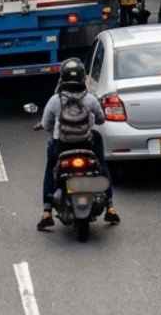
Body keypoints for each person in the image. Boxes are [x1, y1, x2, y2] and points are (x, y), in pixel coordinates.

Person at [36, 58, 120, 229]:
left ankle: (46, 211)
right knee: (102, 165)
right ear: (83, 77)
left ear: (62, 78)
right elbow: (101, 120)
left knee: (50, 167)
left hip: (62, 146)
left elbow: (46, 125)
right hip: (87, 145)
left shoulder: (54, 100)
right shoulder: (90, 98)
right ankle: (110, 207)